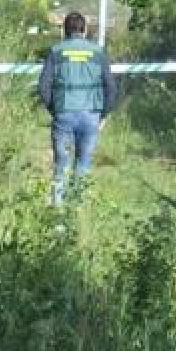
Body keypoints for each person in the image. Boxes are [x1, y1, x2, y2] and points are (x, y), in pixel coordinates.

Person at [37, 12, 117, 206]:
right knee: (83, 165)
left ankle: (57, 213)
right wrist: (103, 114)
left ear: (64, 31)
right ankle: (77, 209)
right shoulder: (98, 53)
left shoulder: (56, 51)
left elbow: (43, 86)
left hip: (63, 114)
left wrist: (54, 110)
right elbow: (112, 88)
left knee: (61, 165)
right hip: (91, 116)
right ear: (85, 30)